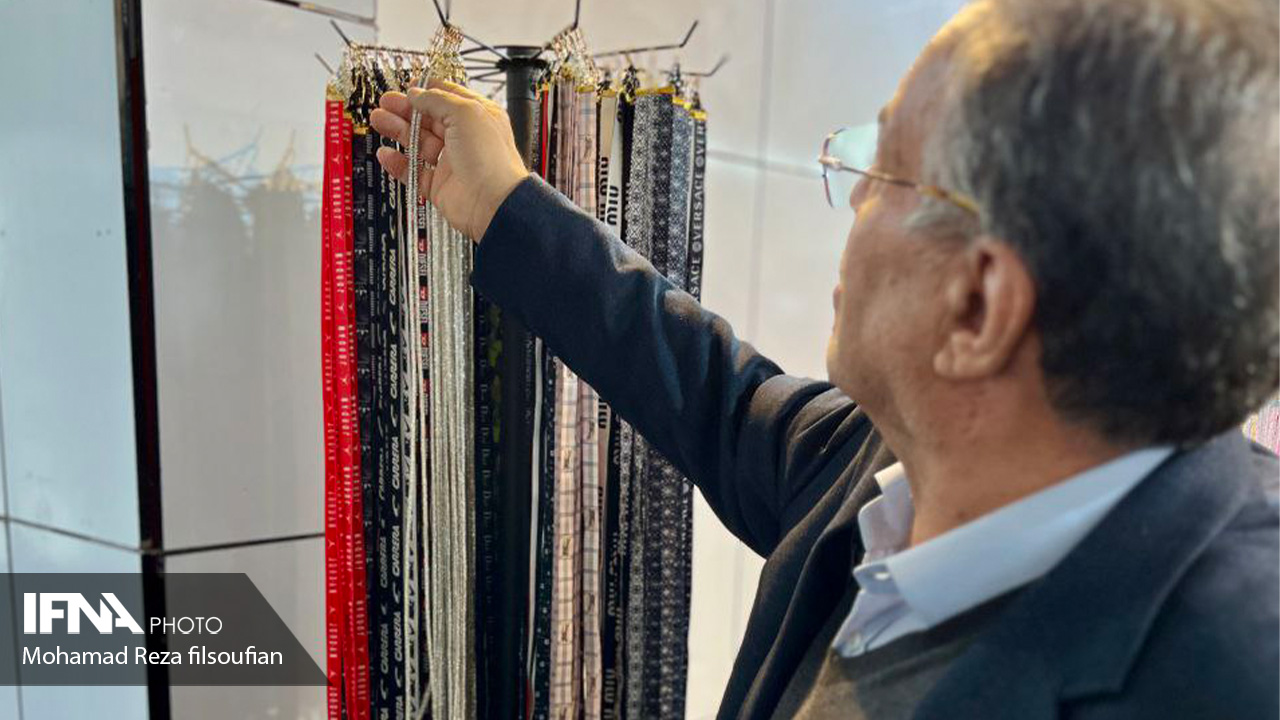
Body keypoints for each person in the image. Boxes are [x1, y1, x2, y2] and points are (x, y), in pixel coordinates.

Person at [370, 0, 1280, 716]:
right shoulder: (898, 466)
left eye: (884, 169)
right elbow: (718, 397)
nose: (852, 202)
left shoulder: (1226, 677)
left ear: (980, 308)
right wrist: (507, 205)